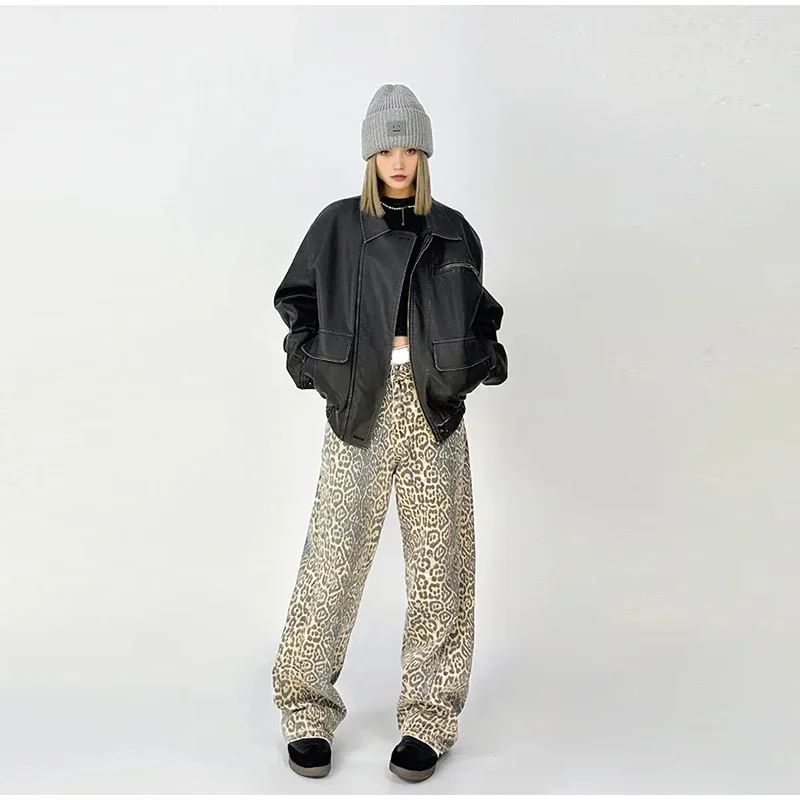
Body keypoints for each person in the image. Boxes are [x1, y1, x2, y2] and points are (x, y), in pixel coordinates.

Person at [271, 83, 508, 782]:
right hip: (360, 408)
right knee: (333, 561)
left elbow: (483, 316)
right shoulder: (338, 225)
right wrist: (318, 366)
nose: (397, 160)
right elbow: (296, 302)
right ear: (370, 156)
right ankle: (306, 709)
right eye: (385, 148)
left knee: (442, 568)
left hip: (433, 411)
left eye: (408, 147)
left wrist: (471, 365)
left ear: (424, 153)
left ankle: (429, 719)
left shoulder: (455, 230)